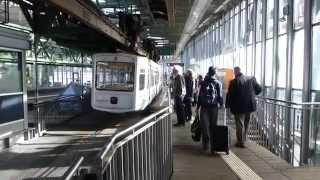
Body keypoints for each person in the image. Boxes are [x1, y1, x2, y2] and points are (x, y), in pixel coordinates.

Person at [226, 66, 262, 148]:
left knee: (239, 123)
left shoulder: (233, 82)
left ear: (235, 72)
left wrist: (227, 106)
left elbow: (229, 95)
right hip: (250, 105)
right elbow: (259, 89)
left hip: (238, 107)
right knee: (246, 122)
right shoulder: (251, 79)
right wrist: (253, 95)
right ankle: (244, 139)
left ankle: (240, 141)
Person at [196, 67, 223, 153]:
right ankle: (213, 144)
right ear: (215, 73)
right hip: (214, 107)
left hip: (204, 107)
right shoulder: (218, 83)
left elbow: (200, 96)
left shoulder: (203, 83)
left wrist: (197, 107)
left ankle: (206, 144)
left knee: (205, 126)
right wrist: (221, 104)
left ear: (208, 72)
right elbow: (220, 96)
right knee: (213, 126)